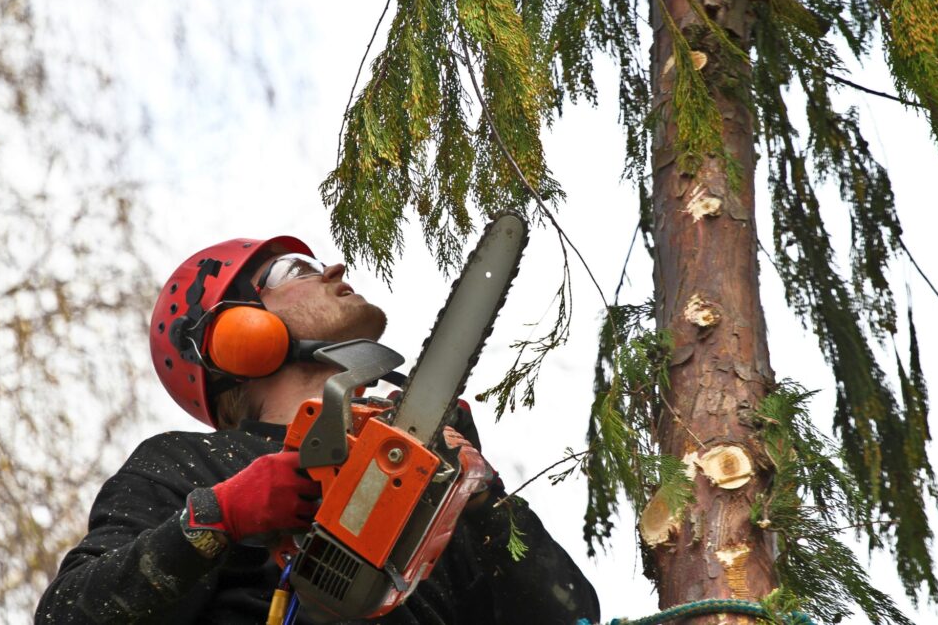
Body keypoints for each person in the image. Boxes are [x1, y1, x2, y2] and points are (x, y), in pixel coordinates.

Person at [36, 235, 601, 624]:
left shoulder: (424, 485)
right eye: (292, 272)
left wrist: (482, 504)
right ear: (233, 330)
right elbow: (70, 613)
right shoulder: (188, 464)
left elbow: (572, 615)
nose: (333, 269)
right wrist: (220, 515)